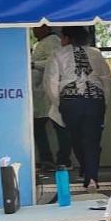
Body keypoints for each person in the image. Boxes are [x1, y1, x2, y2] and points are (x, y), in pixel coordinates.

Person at [44, 25, 111, 190]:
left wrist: (59, 103)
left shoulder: (57, 54)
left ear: (67, 38)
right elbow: (106, 79)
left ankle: (85, 168)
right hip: (94, 99)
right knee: (92, 139)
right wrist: (104, 101)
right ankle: (91, 177)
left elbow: (51, 82)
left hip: (70, 101)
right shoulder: (96, 53)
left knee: (76, 138)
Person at [30, 25, 71, 169]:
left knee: (58, 127)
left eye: (37, 27)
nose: (34, 30)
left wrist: (32, 64)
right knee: (39, 127)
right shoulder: (40, 44)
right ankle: (47, 159)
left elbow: (53, 61)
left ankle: (62, 160)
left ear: (46, 28)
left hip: (49, 93)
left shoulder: (52, 40)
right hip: (40, 94)